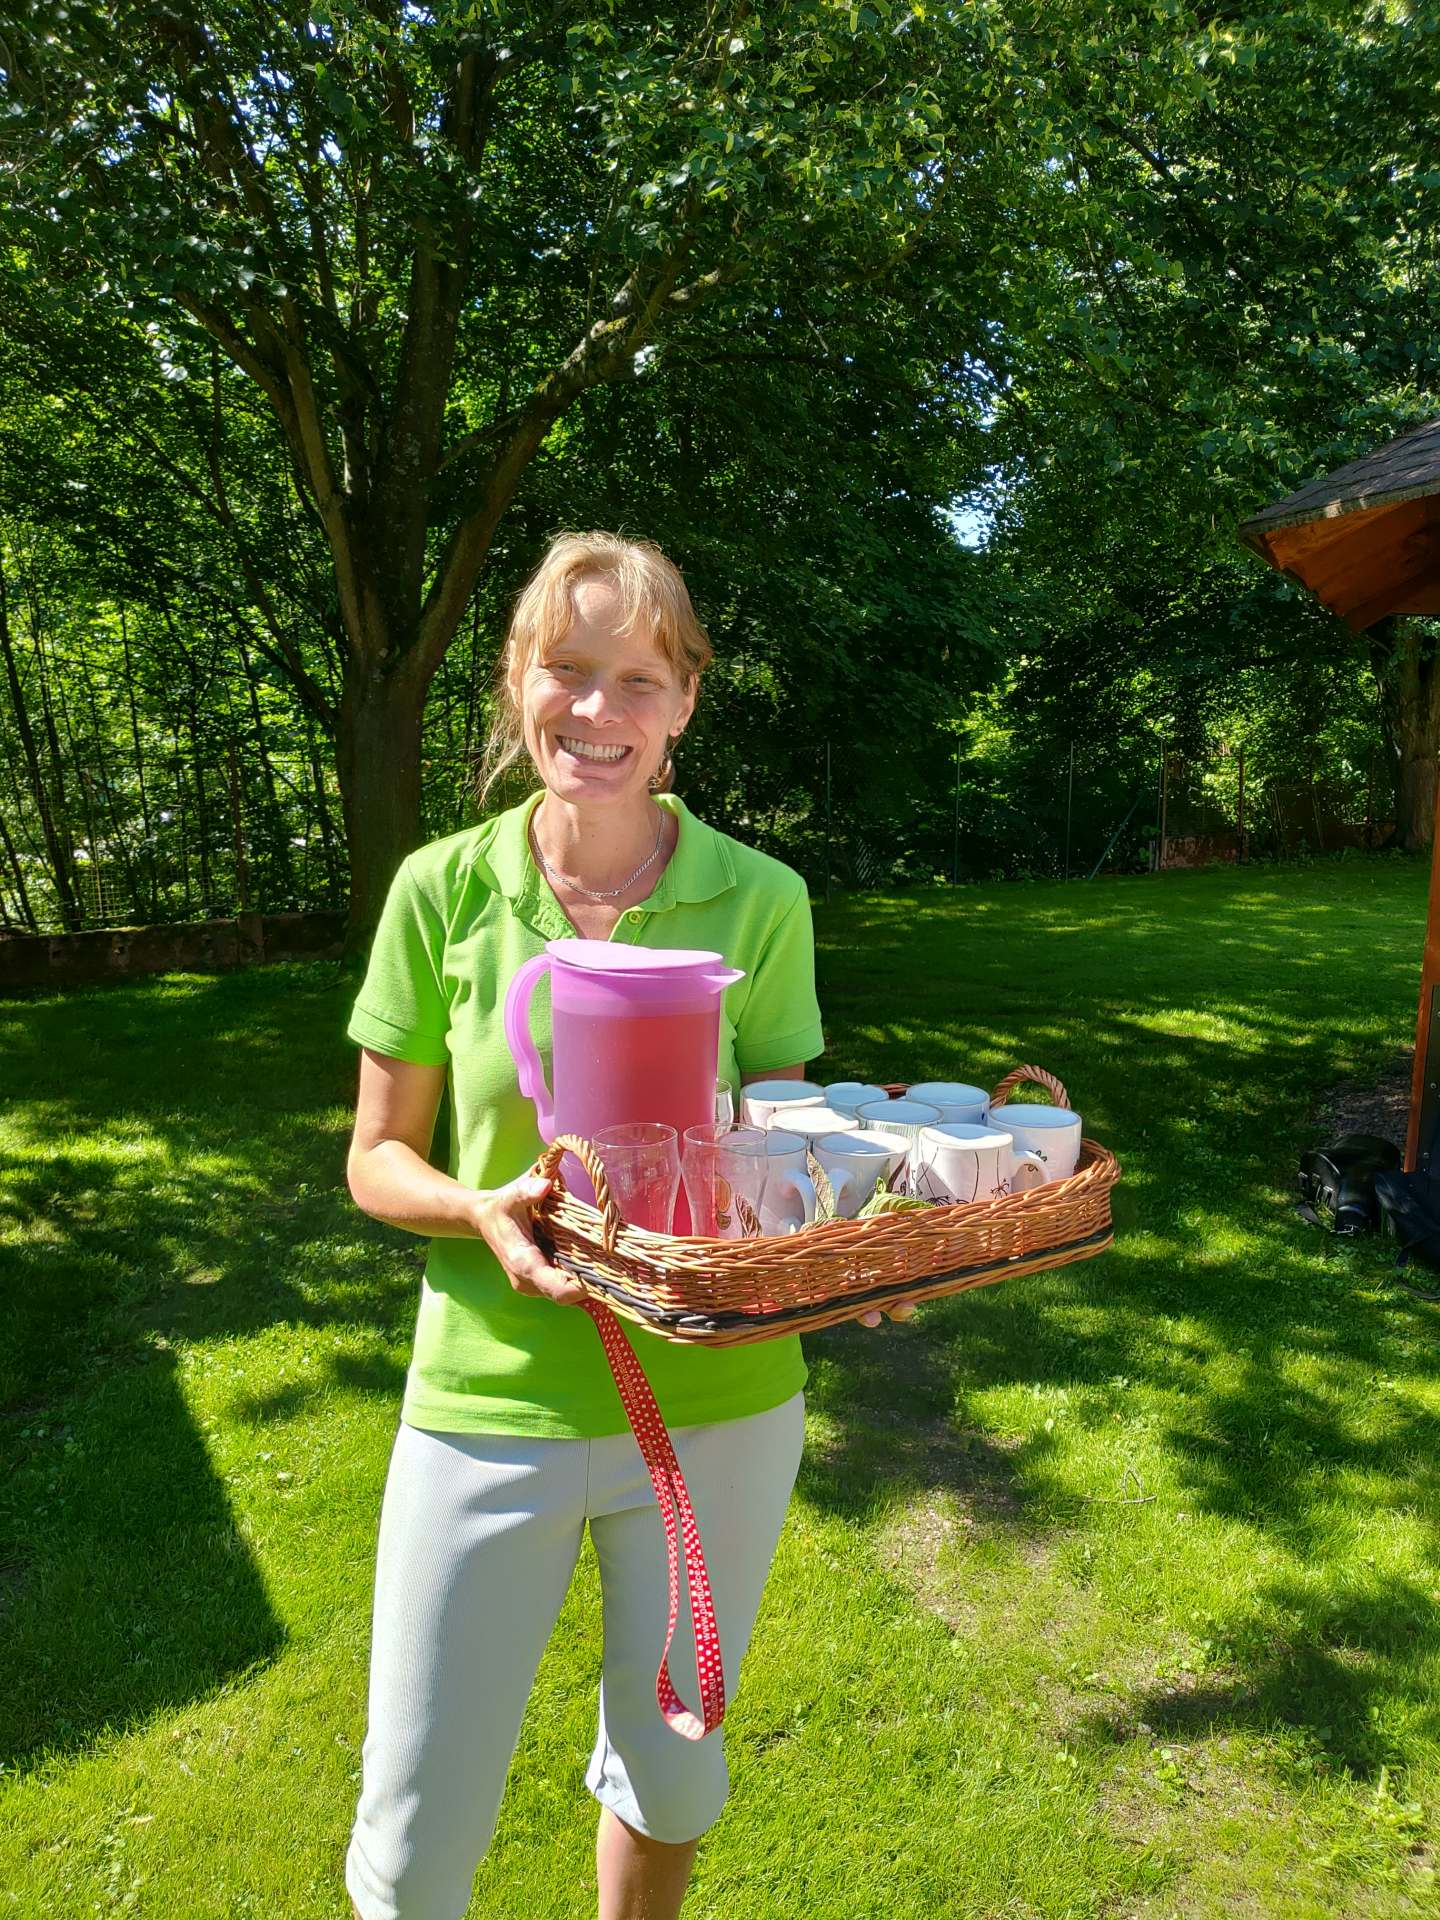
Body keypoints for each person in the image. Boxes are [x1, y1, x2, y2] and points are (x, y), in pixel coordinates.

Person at [343, 531, 904, 1920]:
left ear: (686, 702)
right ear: (517, 681)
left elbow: (783, 1143)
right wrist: (478, 1207)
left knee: (670, 1770)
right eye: (568, 669)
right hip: (490, 1402)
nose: (598, 710)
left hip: (719, 1405)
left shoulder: (761, 898)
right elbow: (377, 1159)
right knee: (414, 1834)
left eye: (639, 678)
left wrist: (851, 1250)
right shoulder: (442, 890)